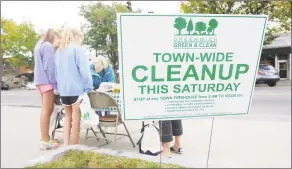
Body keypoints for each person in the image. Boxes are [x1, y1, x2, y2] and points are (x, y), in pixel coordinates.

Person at [55, 28, 93, 146]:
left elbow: (56, 73)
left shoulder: (58, 52)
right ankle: (75, 146)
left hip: (63, 91)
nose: (82, 42)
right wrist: (88, 86)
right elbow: (85, 72)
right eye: (81, 39)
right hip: (76, 89)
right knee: (76, 119)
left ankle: (66, 145)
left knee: (68, 117)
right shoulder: (77, 50)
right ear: (77, 37)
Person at [34, 29, 61, 150]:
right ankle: (45, 140)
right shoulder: (48, 46)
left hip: (39, 82)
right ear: (54, 36)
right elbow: (49, 67)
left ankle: (46, 137)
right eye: (58, 41)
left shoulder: (39, 44)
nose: (57, 45)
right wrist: (55, 85)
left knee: (45, 111)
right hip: (47, 83)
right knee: (47, 111)